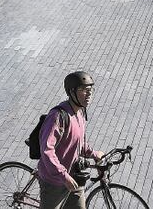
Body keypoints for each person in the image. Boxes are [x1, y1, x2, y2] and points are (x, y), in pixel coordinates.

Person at [38, 71, 106, 209]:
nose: (89, 94)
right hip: (55, 182)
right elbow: (46, 150)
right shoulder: (58, 117)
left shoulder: (80, 112)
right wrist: (63, 176)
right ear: (72, 92)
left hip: (73, 177)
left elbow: (77, 143)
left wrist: (94, 154)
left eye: (90, 90)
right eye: (83, 90)